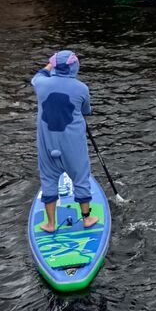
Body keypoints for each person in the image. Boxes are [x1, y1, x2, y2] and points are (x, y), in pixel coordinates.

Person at [32, 50, 98, 233]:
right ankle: (87, 218)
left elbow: (39, 74)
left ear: (54, 66)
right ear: (74, 67)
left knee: (48, 179)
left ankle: (50, 224)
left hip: (48, 144)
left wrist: (51, 65)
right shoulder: (81, 88)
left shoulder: (41, 83)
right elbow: (86, 110)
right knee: (80, 177)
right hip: (72, 145)